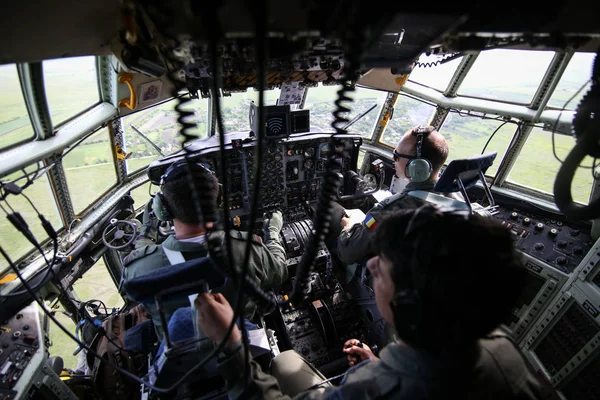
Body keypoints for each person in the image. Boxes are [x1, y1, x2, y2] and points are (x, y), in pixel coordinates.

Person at [194, 205, 554, 399]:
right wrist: (382, 361)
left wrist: (231, 345)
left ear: (410, 304)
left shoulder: (375, 390)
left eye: (381, 266)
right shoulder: (501, 345)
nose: (369, 264)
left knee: (287, 362)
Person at [120, 160, 287, 339]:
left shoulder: (138, 268)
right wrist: (273, 232)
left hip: (180, 360)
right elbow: (280, 271)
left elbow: (129, 293)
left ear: (163, 208)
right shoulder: (248, 249)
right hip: (240, 345)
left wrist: (145, 237)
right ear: (219, 200)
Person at [337, 125, 449, 266]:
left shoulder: (389, 211)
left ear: (417, 166)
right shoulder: (457, 199)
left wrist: (348, 226)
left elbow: (347, 253)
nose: (392, 159)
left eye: (397, 156)